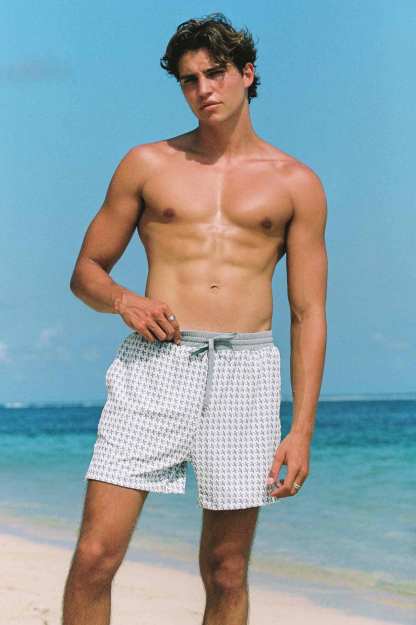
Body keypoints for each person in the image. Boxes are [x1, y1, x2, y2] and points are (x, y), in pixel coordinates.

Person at [62, 12, 328, 625]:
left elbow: (308, 312)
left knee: (226, 571)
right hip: (157, 365)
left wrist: (302, 430)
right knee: (95, 557)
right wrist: (125, 301)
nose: (203, 89)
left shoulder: (297, 184)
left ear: (247, 73)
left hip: (245, 374)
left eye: (215, 73)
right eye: (189, 80)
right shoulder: (147, 164)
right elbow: (86, 272)